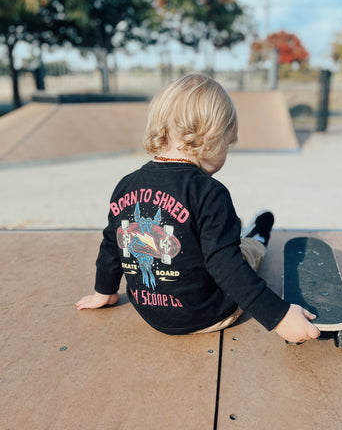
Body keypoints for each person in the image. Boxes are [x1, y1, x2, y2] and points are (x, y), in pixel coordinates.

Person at [76, 74, 320, 343]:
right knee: (245, 251)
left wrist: (105, 291)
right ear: (211, 139)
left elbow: (112, 243)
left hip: (150, 314)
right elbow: (227, 267)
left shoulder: (126, 186)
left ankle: (237, 232)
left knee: (215, 242)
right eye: (228, 144)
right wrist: (281, 317)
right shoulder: (210, 192)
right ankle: (257, 236)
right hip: (209, 315)